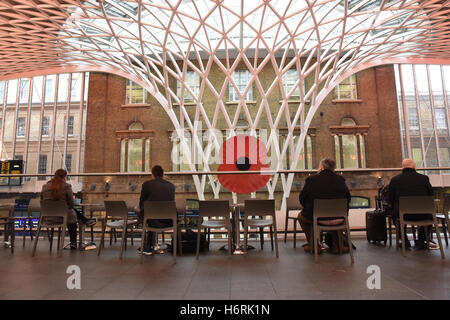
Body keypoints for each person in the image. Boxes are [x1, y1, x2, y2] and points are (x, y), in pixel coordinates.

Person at [297, 158, 351, 253]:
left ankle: (314, 246)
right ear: (333, 168)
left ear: (321, 167)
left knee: (301, 217)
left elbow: (302, 199)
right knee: (335, 217)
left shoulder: (311, 180)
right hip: (339, 217)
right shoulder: (341, 180)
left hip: (317, 218)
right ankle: (338, 246)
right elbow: (348, 198)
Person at [40, 169, 96, 250]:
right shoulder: (66, 186)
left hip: (48, 217)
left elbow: (42, 202)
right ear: (65, 177)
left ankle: (86, 221)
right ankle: (73, 242)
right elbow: (71, 204)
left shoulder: (45, 187)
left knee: (70, 212)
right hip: (63, 218)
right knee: (71, 213)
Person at [388, 158, 436, 249]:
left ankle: (405, 241)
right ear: (414, 167)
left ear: (402, 168)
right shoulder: (424, 178)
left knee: (395, 214)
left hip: (404, 215)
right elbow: (431, 196)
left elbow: (391, 199)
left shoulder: (395, 180)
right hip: (423, 215)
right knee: (431, 215)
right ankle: (421, 241)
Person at [138, 165, 175, 255]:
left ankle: (148, 246)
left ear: (153, 174)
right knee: (150, 215)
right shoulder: (171, 186)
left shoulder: (146, 184)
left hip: (151, 219)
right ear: (163, 175)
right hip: (168, 221)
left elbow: (141, 202)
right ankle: (150, 245)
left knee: (144, 213)